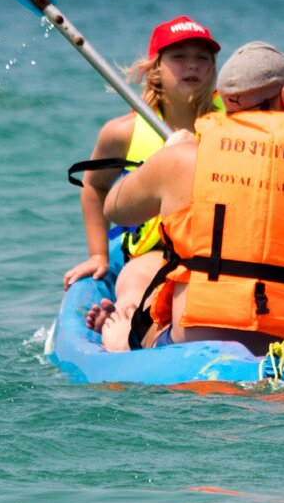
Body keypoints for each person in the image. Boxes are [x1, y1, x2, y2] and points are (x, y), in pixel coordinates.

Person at [95, 41, 284, 353]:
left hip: (194, 345)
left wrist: (165, 159)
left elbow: (116, 208)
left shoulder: (182, 159)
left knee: (141, 324)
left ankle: (121, 341)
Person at [62, 16, 222, 316]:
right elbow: (94, 186)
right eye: (179, 57)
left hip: (217, 251)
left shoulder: (237, 124)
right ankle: (124, 317)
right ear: (155, 69)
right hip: (153, 252)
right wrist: (98, 255)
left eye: (203, 58)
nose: (193, 65)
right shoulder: (123, 131)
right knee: (137, 284)